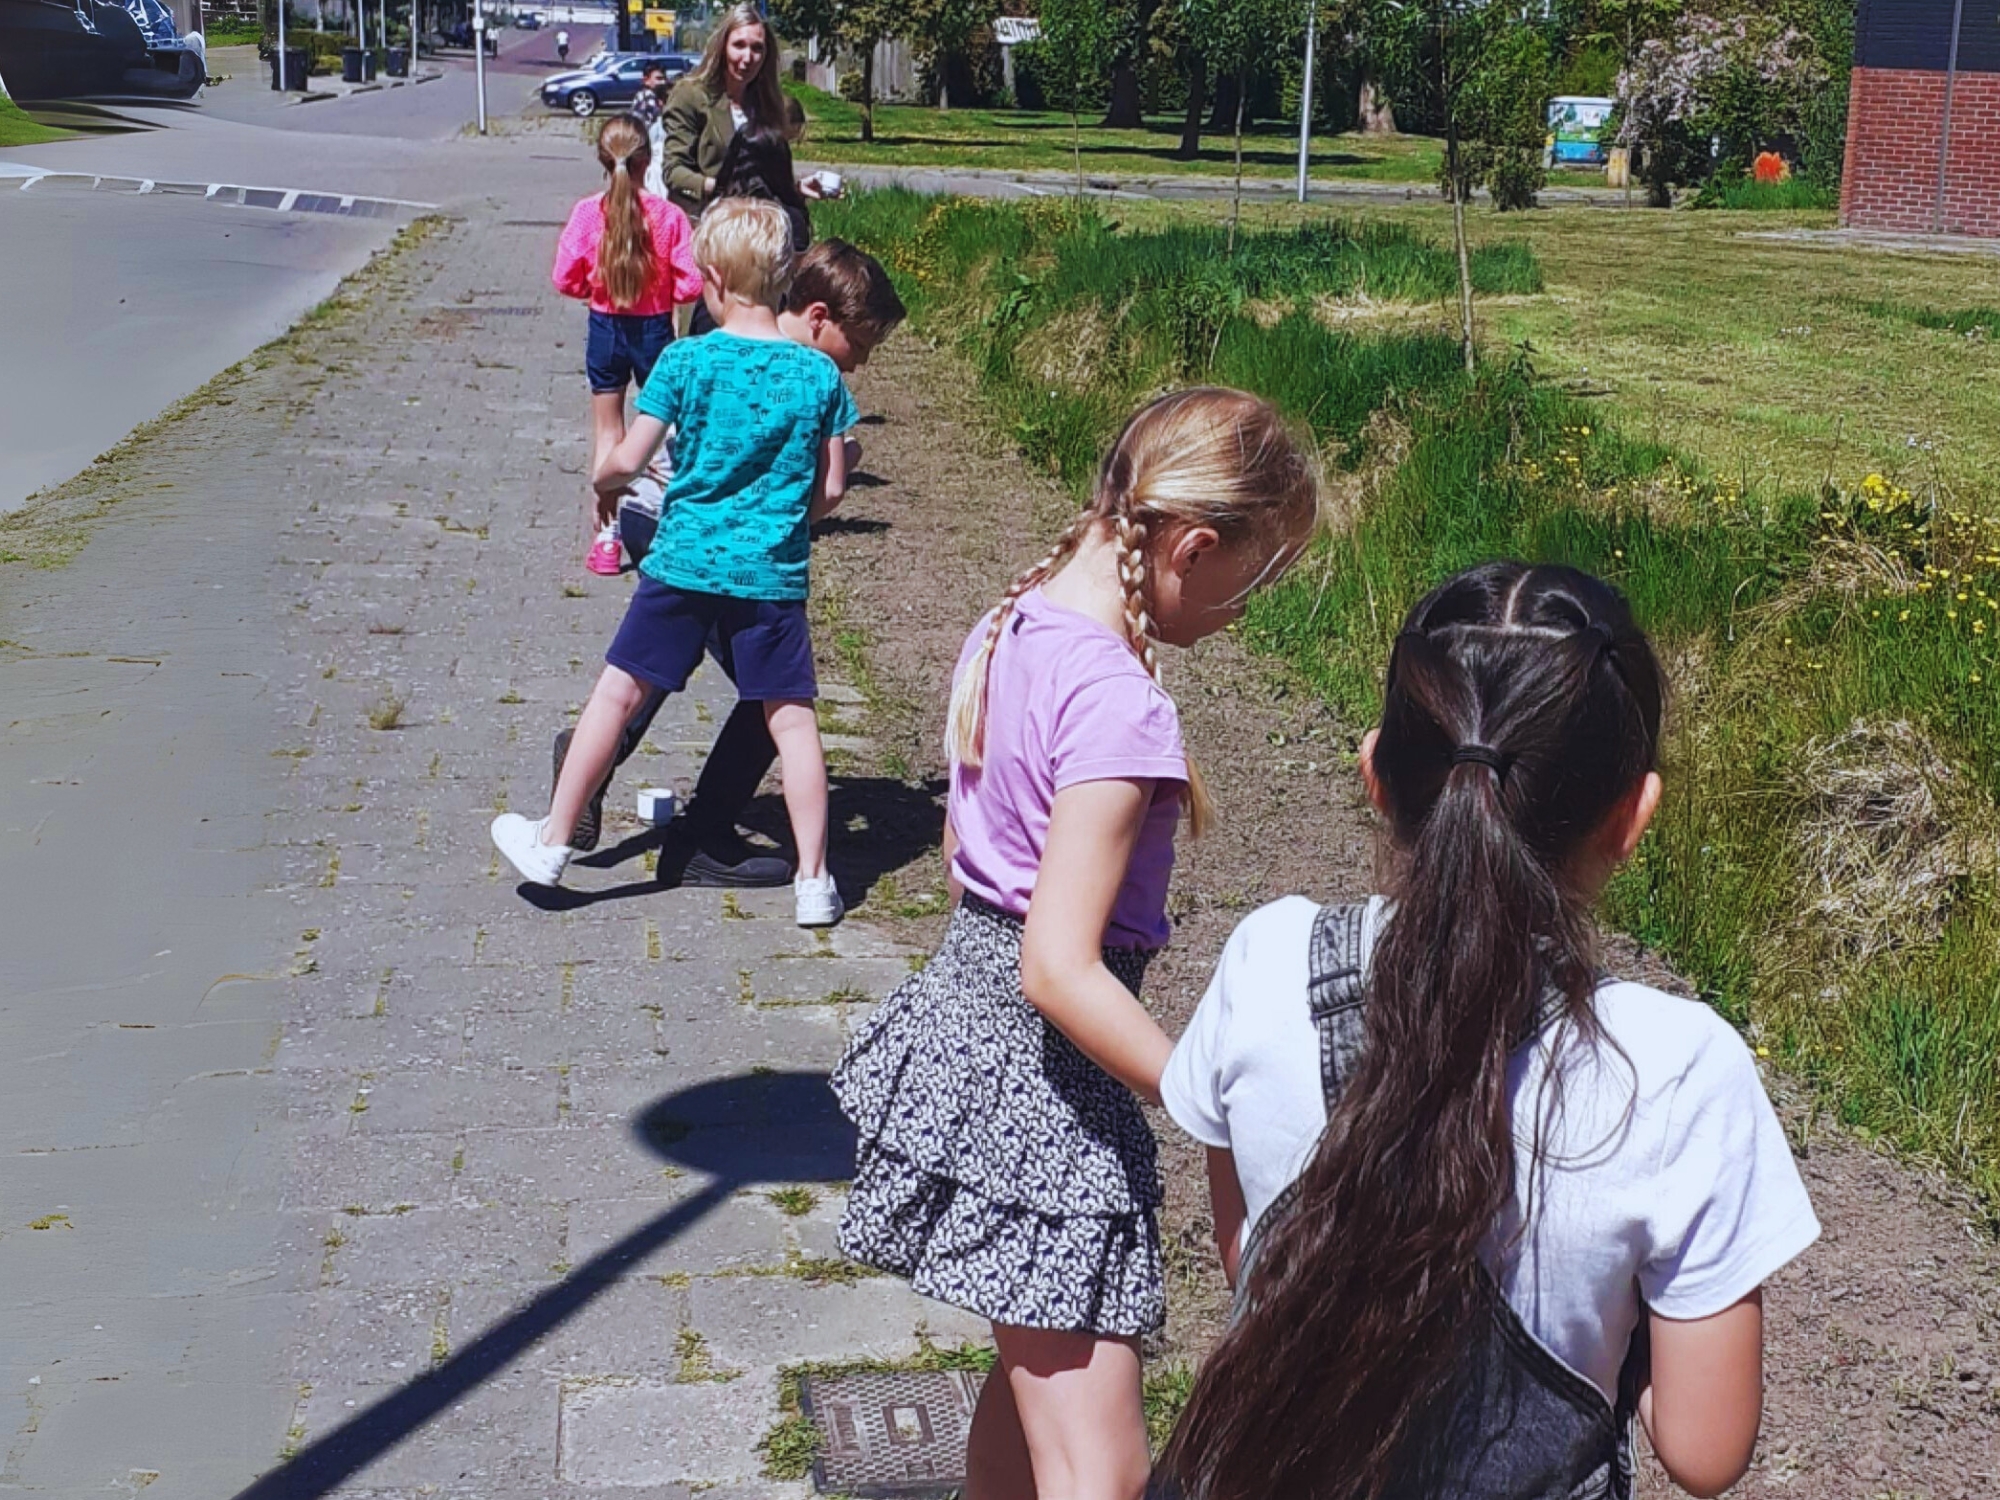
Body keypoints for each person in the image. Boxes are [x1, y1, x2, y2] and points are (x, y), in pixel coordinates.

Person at [1155, 562, 1822, 1500]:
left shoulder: (1267, 963)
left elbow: (1257, 1268)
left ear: (1377, 776)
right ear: (1632, 817)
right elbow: (1703, 1450)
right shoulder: (1678, 1071)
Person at [832, 390, 1324, 1500]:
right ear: (1191, 548)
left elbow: (971, 857)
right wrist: (1204, 1094)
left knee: (1032, 1403)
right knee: (1101, 1472)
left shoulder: (1015, 620)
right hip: (1044, 1094)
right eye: (1250, 585)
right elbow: (1055, 966)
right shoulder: (1118, 704)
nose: (1241, 614)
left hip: (971, 1038)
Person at [493, 200, 858, 928]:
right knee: (792, 724)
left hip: (684, 563)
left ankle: (554, 842)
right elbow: (833, 490)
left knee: (617, 696)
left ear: (713, 279)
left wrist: (602, 483)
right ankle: (815, 883)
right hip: (771, 575)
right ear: (784, 279)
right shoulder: (820, 376)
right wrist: (787, 519)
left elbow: (629, 457)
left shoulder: (685, 361)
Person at [557, 239, 907, 888]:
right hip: (686, 532)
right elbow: (822, 489)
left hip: (667, 526)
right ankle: (697, 833)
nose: (859, 362)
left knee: (666, 664)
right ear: (820, 317)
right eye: (858, 344)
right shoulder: (805, 374)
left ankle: (600, 762)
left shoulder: (766, 361)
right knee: (772, 697)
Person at [551, 114, 702, 578]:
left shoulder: (587, 213)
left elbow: (563, 277)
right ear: (647, 160)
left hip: (605, 326)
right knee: (662, 431)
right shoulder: (669, 217)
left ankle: (607, 539)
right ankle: (667, 525)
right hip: (654, 330)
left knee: (608, 433)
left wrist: (594, 289)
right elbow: (691, 284)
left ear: (603, 159)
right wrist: (662, 292)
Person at [660, 1, 788, 225]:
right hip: (706, 225)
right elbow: (674, 171)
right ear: (722, 47)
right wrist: (721, 187)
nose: (747, 58)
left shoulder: (767, 103)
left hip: (759, 228)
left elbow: (769, 176)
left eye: (757, 48)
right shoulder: (691, 95)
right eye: (739, 45)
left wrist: (797, 188)